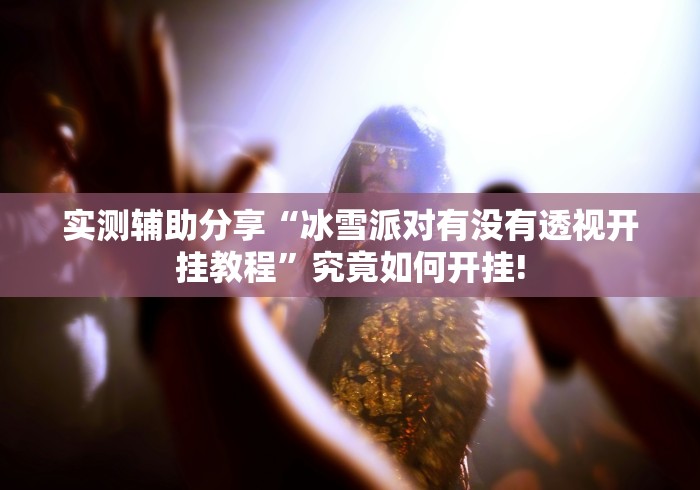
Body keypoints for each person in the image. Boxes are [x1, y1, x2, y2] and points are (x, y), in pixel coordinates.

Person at [307, 106, 490, 489]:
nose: (377, 167)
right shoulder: (356, 245)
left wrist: (418, 480)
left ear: (425, 170)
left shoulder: (443, 253)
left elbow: (464, 386)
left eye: (396, 157)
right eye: (368, 152)